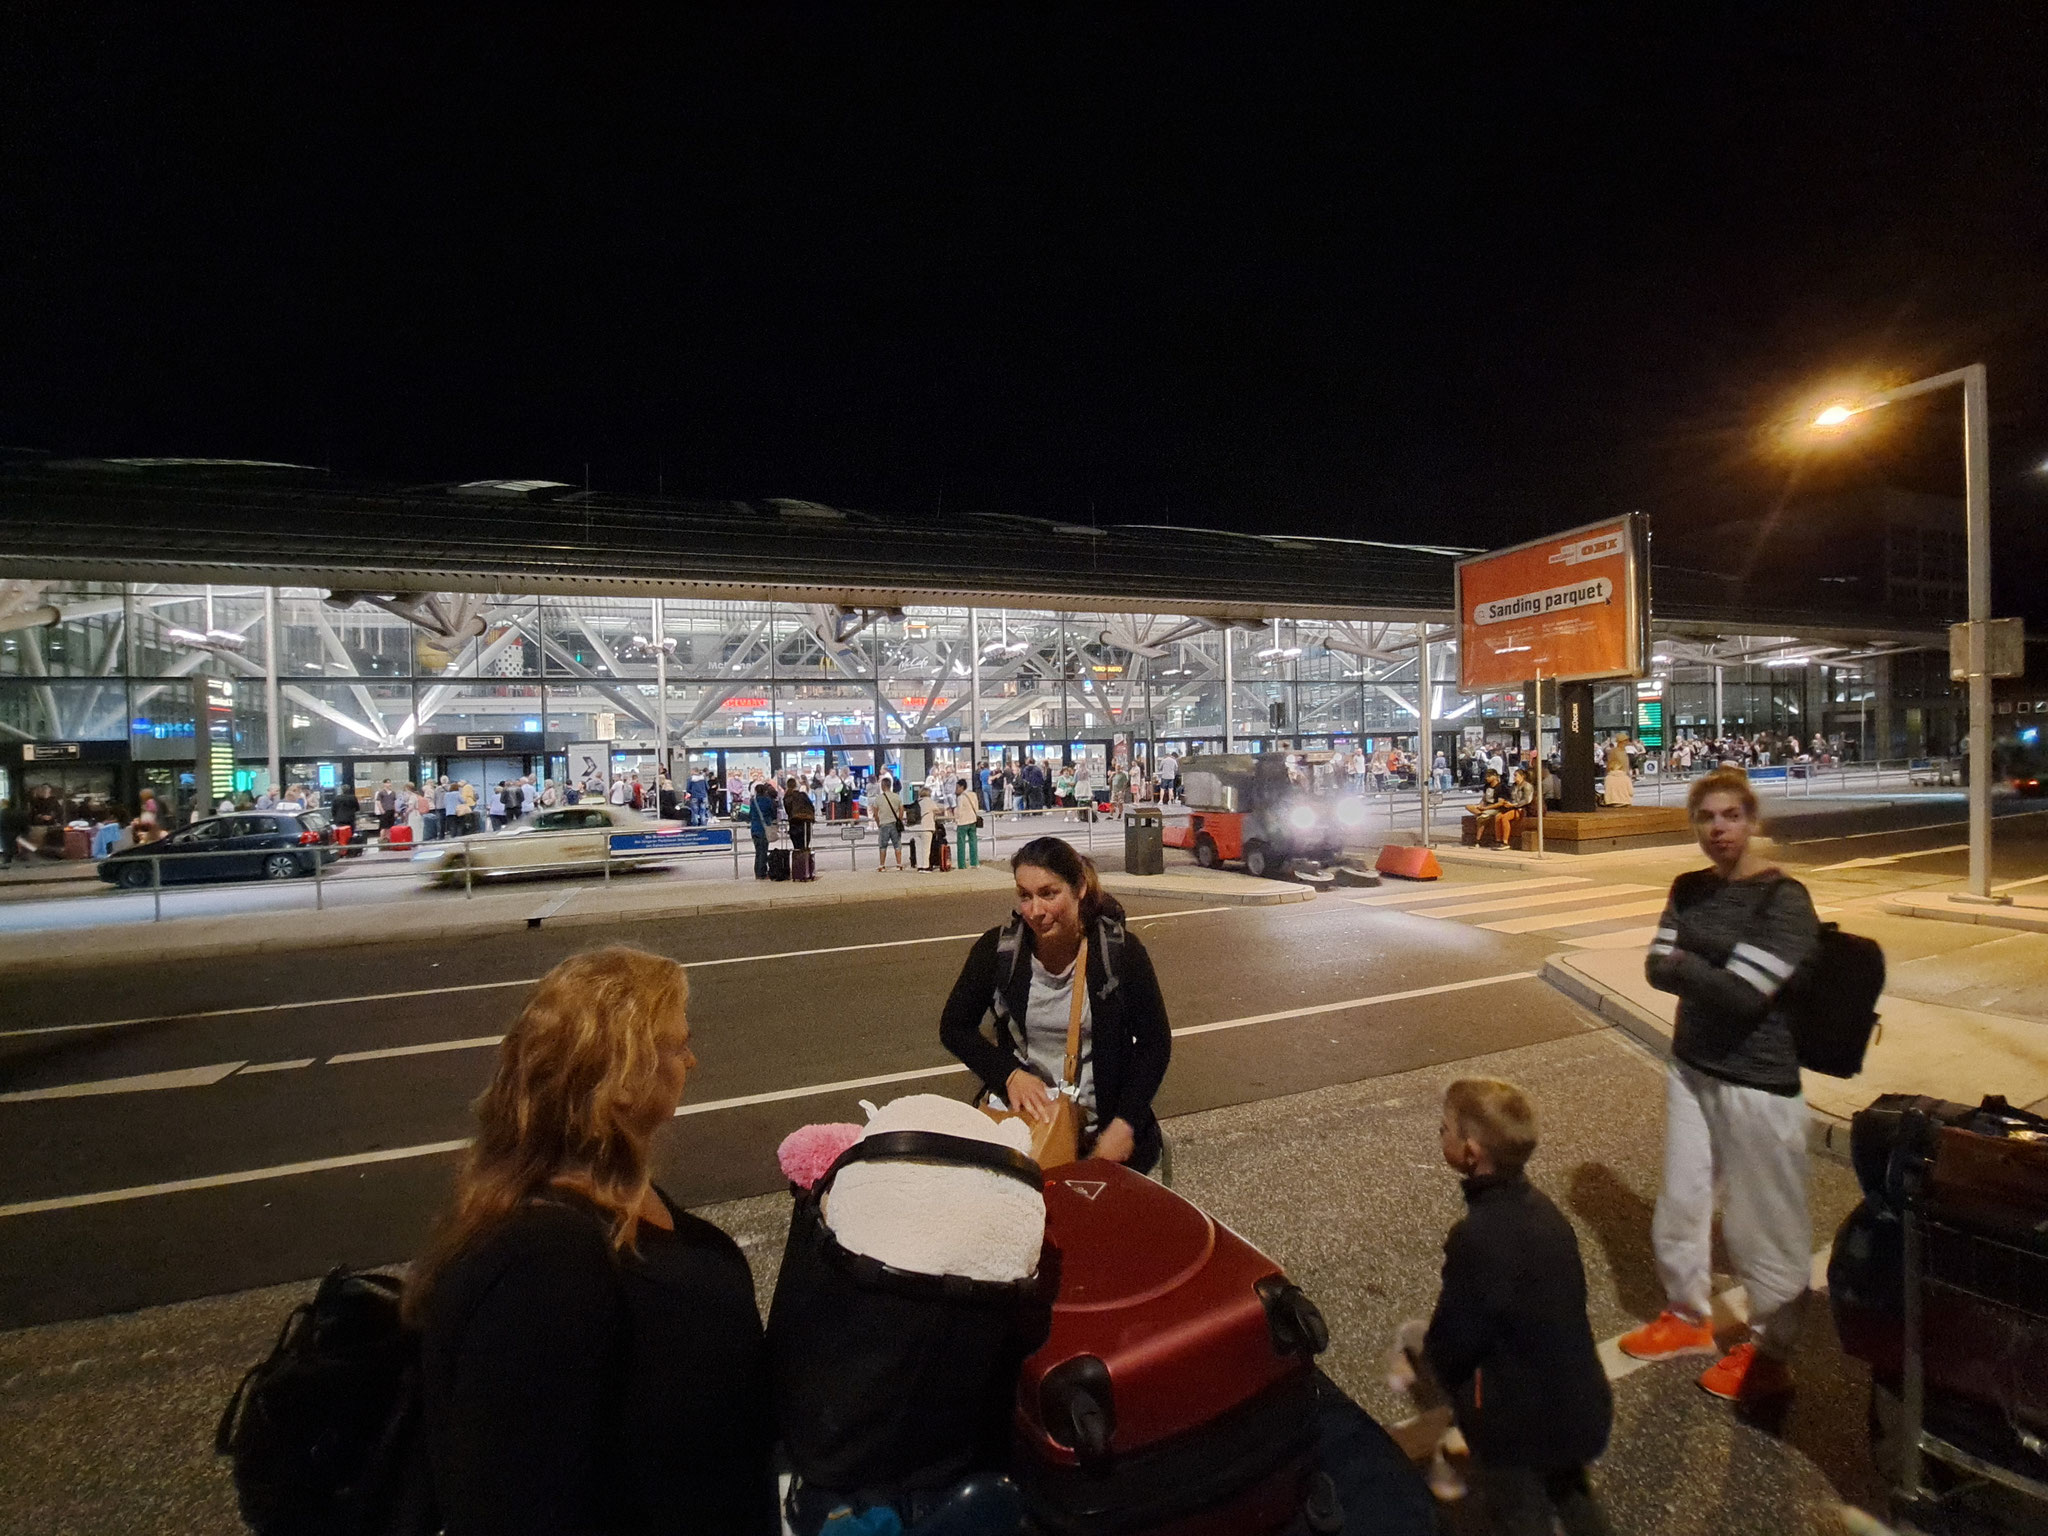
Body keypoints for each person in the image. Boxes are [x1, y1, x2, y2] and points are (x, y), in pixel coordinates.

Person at [407, 947, 778, 1536]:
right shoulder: (543, 1267)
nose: (692, 1059)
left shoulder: (606, 1196)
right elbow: (513, 1503)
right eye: (677, 1044)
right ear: (624, 1075)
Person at [1618, 769, 1821, 1402]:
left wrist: (1687, 964)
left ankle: (1771, 1352)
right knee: (1681, 1200)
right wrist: (1694, 967)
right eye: (1706, 817)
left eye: (1731, 815)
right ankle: (1685, 1315)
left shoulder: (1783, 900)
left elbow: (1744, 997)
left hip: (1758, 1080)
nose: (1718, 828)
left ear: (1752, 819)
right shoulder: (1688, 887)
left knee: (1765, 1222)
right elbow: (1655, 967)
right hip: (1691, 1066)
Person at [1414, 1079, 1614, 1536]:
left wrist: (1437, 1368)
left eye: (1443, 1129)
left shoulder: (1478, 1237)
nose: (1439, 1135)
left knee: (1517, 1514)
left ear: (1470, 1151)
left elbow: (1455, 1339)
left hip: (1520, 1427)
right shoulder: (1547, 1215)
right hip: (1582, 1403)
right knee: (1570, 1489)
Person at [938, 836, 1171, 1172]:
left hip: (1100, 1133)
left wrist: (1125, 1123)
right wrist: (1009, 1075)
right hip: (1028, 1128)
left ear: (1078, 889)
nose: (1035, 911)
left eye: (1049, 894)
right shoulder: (1000, 950)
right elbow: (954, 1028)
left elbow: (1155, 1044)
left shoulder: (1119, 953)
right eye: (1025, 896)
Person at [869, 774, 908, 871]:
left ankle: (882, 865)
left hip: (884, 824)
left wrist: (878, 823)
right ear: (890, 785)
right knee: (897, 844)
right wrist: (899, 819)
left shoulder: (878, 798)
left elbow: (875, 813)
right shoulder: (897, 797)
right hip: (894, 823)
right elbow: (901, 810)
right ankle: (899, 864)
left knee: (883, 846)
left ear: (882, 786)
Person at [748, 778, 777, 880]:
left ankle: (757, 872)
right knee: (763, 852)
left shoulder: (753, 802)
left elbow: (749, 814)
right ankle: (762, 873)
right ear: (765, 791)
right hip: (764, 829)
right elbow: (773, 814)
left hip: (754, 828)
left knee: (757, 851)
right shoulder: (768, 801)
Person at [953, 777, 983, 869]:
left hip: (963, 822)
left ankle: (962, 864)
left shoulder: (961, 797)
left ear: (962, 787)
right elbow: (976, 807)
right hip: (973, 820)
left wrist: (956, 821)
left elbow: (959, 811)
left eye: (957, 787)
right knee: (973, 842)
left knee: (961, 844)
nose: (956, 789)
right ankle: (974, 862)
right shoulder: (973, 794)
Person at [1602, 737, 1634, 807]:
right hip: (1625, 802)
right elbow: (1631, 792)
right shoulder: (1616, 751)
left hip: (1611, 802)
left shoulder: (1608, 778)